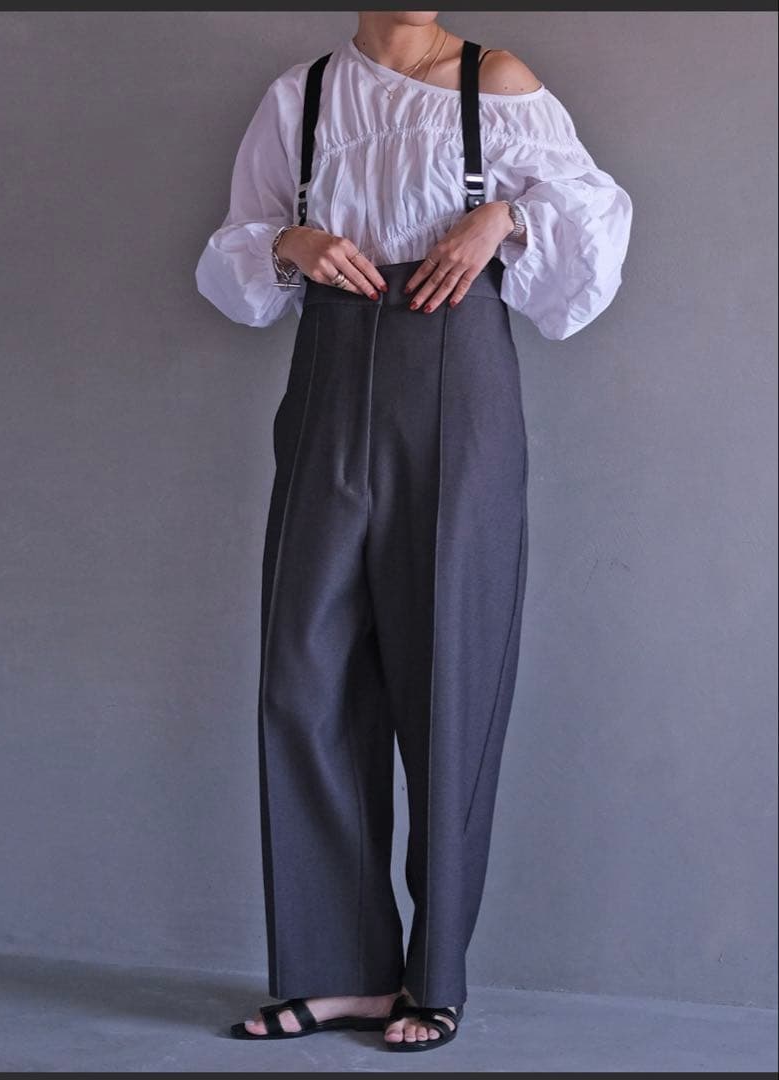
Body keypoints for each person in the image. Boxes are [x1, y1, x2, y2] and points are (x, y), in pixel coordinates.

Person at [195, 10, 632, 1053]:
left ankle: (432, 982)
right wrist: (290, 242)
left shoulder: (495, 81)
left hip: (455, 380)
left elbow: (593, 221)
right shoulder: (301, 96)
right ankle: (338, 973)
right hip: (327, 378)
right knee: (305, 677)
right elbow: (236, 255)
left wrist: (503, 221)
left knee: (451, 671)